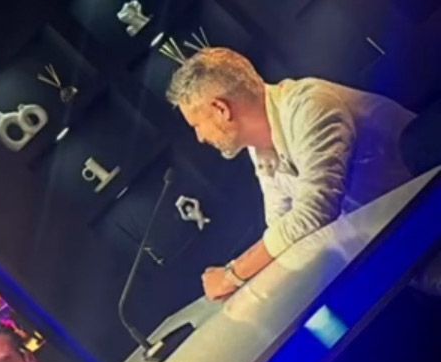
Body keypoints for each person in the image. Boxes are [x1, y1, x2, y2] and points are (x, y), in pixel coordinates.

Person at [166, 47, 416, 301]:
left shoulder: (310, 105)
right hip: (398, 248)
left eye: (196, 125)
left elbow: (314, 212)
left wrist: (233, 275)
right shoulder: (259, 146)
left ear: (221, 109)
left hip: (424, 225)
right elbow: (280, 226)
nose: (200, 137)